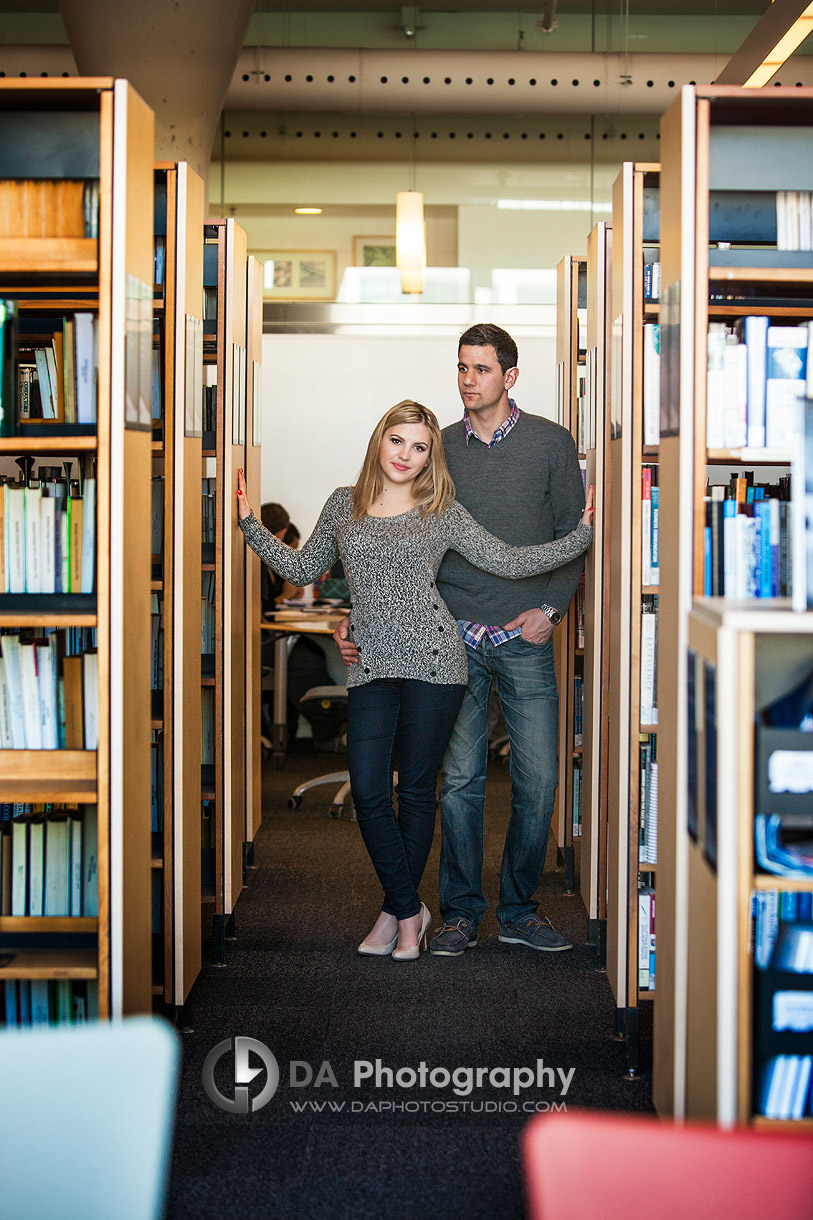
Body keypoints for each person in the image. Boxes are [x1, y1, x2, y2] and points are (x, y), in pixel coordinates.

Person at [237, 400, 593, 960]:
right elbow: (304, 570)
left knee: (417, 791)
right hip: (371, 663)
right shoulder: (343, 505)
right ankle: (409, 908)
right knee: (371, 788)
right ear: (380, 441)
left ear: (431, 457)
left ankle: (398, 919)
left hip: (436, 661)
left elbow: (508, 560)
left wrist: (581, 536)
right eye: (398, 441)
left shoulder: (440, 509)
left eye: (420, 447)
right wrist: (248, 523)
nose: (406, 455)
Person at [335, 325, 588, 959]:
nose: (468, 380)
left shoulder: (553, 444)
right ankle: (458, 912)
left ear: (510, 375)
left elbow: (572, 536)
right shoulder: (435, 448)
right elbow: (386, 542)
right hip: (449, 638)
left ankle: (521, 910)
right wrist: (361, 616)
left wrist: (550, 611)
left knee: (537, 781)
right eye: (461, 368)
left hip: (526, 633)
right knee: (457, 783)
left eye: (480, 369)